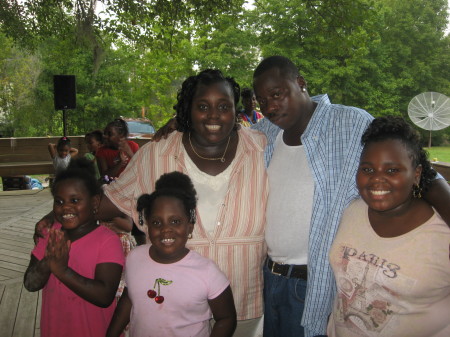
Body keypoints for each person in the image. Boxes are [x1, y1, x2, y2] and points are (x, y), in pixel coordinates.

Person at [36, 69, 268, 337]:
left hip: (241, 308)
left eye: (224, 106)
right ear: (187, 110)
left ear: (235, 110)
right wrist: (55, 215)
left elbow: (290, 124)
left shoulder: (261, 149)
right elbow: (108, 201)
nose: (214, 115)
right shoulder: (156, 155)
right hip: (166, 314)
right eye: (202, 106)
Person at [250, 55, 450, 337]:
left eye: (277, 94)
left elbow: (408, 162)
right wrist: (179, 126)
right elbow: (222, 142)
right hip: (269, 278)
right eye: (262, 100)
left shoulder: (350, 123)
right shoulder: (262, 133)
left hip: (316, 283)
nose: (270, 106)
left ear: (301, 84)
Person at [327, 116, 450, 337]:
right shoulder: (352, 211)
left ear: (417, 174)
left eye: (392, 171)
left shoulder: (442, 234)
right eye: (368, 169)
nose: (377, 179)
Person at [106, 171, 237, 337]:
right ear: (147, 226)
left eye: (175, 221)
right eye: (156, 222)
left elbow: (227, 318)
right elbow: (128, 300)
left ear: (189, 227)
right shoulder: (134, 257)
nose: (166, 229)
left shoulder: (207, 272)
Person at [23, 158, 125, 337]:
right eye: (59, 201)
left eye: (75, 200)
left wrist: (62, 271)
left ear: (94, 202)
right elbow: (30, 283)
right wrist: (48, 261)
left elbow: (104, 296)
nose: (66, 207)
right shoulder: (49, 235)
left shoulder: (107, 241)